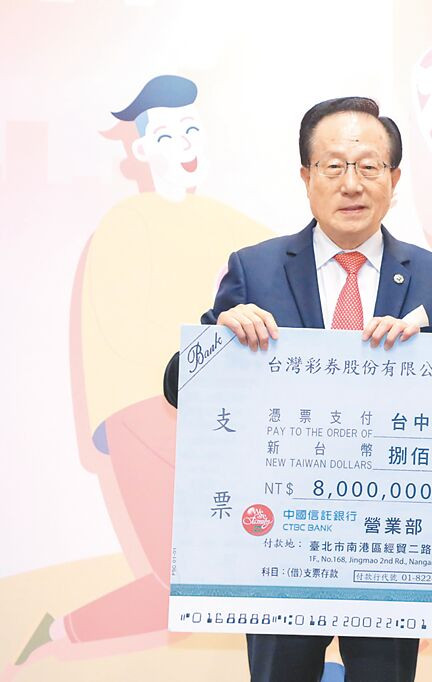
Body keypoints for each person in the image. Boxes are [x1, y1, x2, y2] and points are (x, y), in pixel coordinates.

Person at [163, 97, 432, 682]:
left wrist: (430, 361)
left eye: (369, 166)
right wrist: (220, 340)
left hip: (388, 542)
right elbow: (181, 388)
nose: (352, 184)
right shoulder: (255, 269)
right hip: (279, 539)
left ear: (394, 179)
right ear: (306, 176)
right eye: (333, 166)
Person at [9, 74, 272, 674]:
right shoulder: (127, 223)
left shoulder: (231, 224)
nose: (186, 145)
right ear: (142, 150)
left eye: (194, 129)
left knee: (202, 579)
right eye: (169, 135)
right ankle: (58, 636)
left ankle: (58, 631)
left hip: (218, 412)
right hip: (144, 410)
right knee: (186, 583)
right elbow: (125, 337)